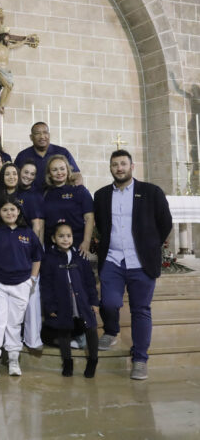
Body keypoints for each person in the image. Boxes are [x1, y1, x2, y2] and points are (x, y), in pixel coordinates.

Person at [93, 150, 172, 380]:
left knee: (141, 310)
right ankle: (111, 330)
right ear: (110, 168)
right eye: (115, 164)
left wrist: (150, 245)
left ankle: (139, 359)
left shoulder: (150, 192)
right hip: (113, 259)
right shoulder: (101, 195)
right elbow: (100, 223)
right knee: (109, 302)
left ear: (132, 166)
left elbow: (165, 222)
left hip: (140, 262)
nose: (119, 168)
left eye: (123, 164)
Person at [0, 198, 43, 378]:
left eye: (13, 209)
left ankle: (13, 359)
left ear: (19, 212)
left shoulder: (28, 233)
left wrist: (31, 279)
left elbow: (37, 258)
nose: (9, 213)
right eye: (5, 210)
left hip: (21, 283)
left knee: (14, 323)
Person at [40, 222, 99, 378]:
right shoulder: (49, 259)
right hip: (62, 299)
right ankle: (67, 362)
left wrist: (94, 301)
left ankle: (93, 360)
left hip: (82, 299)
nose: (65, 239)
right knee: (64, 329)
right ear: (53, 239)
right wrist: (50, 306)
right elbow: (45, 285)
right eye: (61, 236)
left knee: (91, 327)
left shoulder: (80, 256)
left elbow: (89, 281)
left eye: (68, 236)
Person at [0, 162, 45, 349]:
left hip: (25, 250)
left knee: (30, 296)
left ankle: (32, 339)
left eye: (14, 174)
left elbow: (37, 226)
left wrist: (34, 253)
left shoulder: (28, 197)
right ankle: (4, 341)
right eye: (7, 174)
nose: (11, 177)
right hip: (2, 252)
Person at [42, 155, 94, 254]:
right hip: (51, 247)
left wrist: (86, 242)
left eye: (62, 168)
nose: (59, 172)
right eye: (54, 170)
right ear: (49, 174)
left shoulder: (79, 190)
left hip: (77, 244)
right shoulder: (46, 194)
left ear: (68, 170)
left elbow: (89, 218)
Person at [15, 122, 81, 190]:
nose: (42, 136)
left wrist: (77, 190)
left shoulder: (62, 152)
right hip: (31, 197)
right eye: (37, 133)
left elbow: (76, 174)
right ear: (31, 137)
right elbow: (15, 178)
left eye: (45, 132)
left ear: (49, 135)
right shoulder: (22, 155)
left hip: (58, 196)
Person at [17, 161, 45, 242]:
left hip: (26, 240)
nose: (28, 176)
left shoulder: (36, 196)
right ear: (19, 171)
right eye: (26, 172)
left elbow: (39, 226)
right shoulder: (13, 190)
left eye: (32, 174)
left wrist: (36, 248)